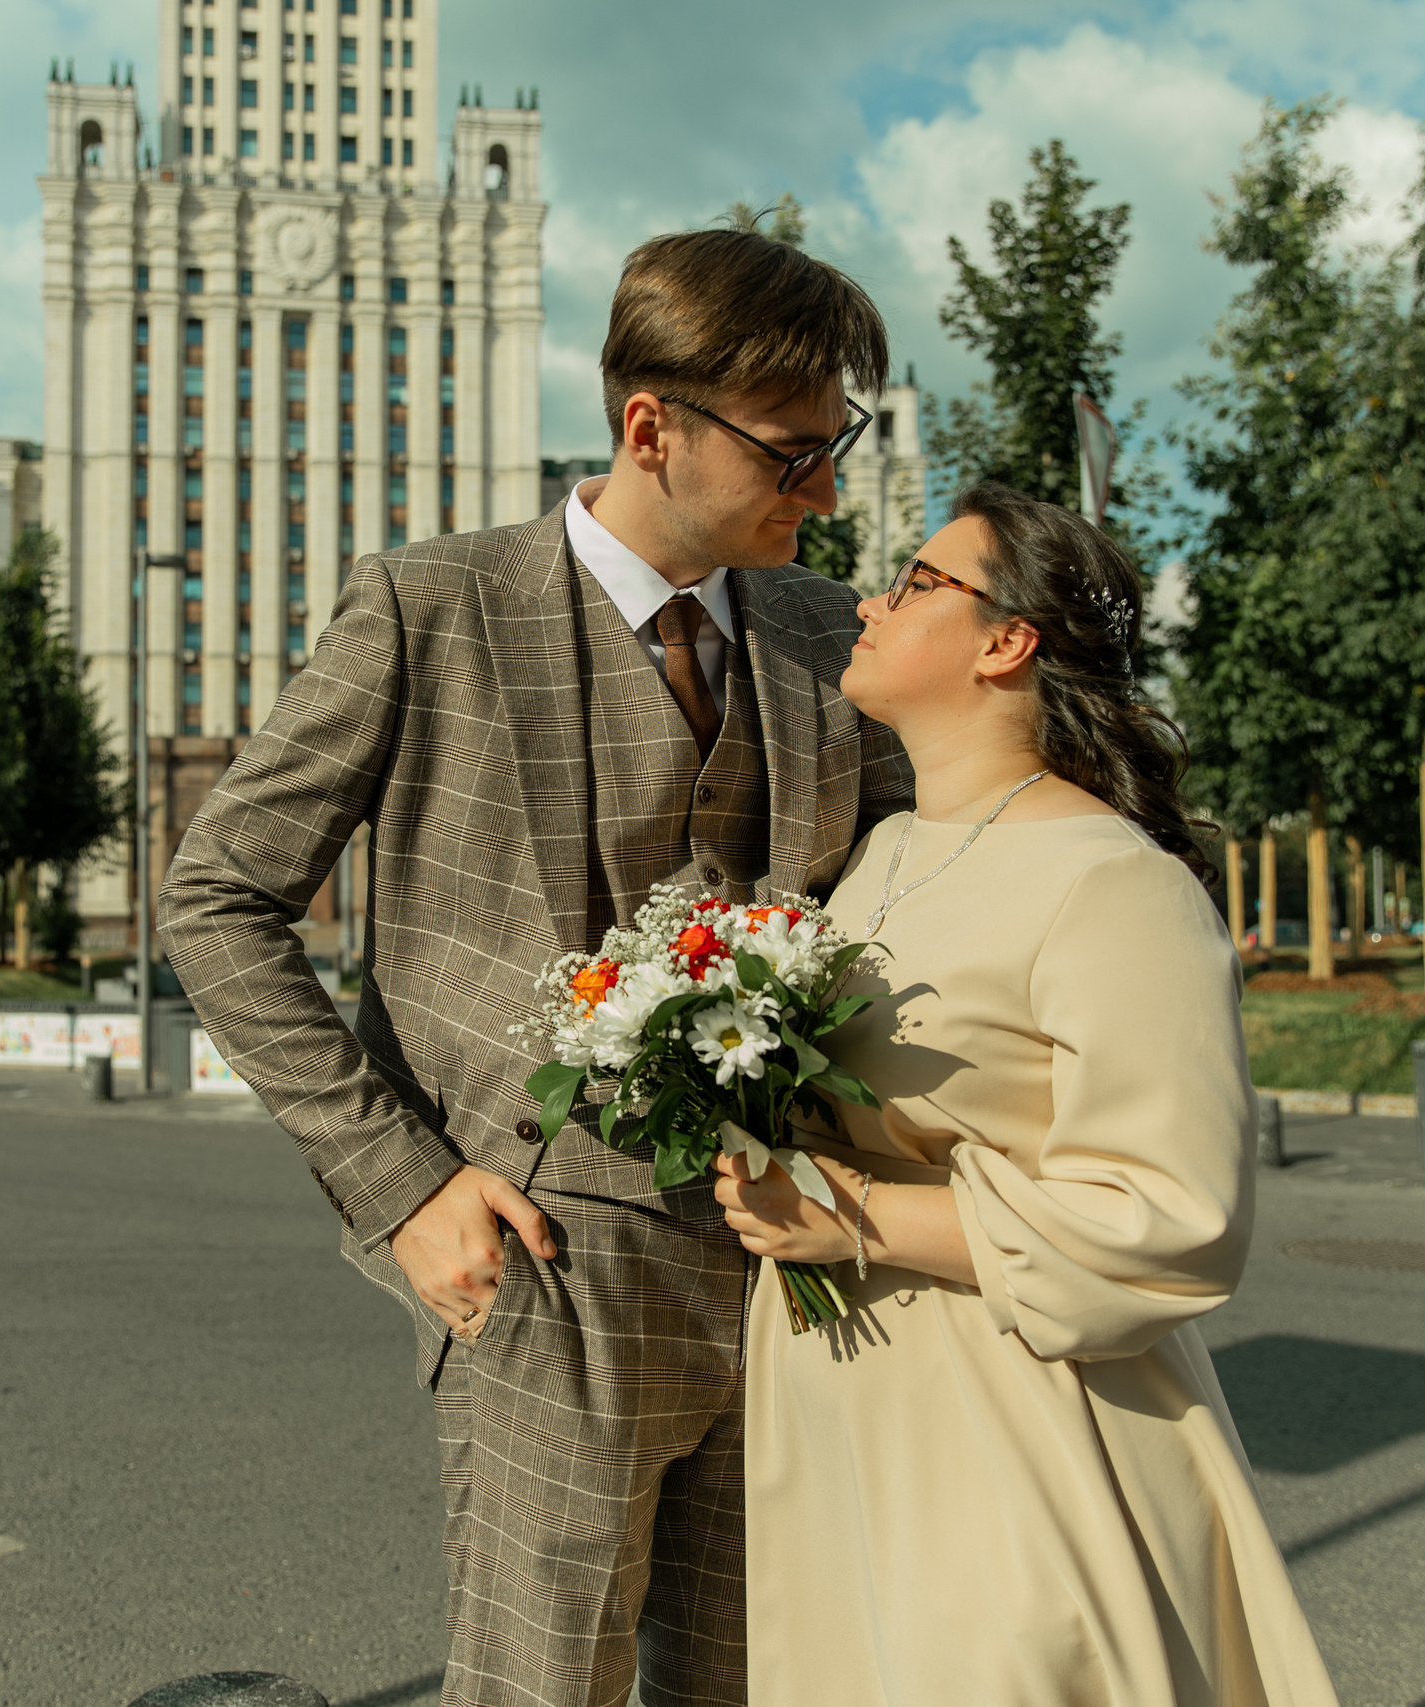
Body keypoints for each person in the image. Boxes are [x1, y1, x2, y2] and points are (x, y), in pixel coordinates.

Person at [159, 228, 913, 1707]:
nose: (828, 488)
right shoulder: (431, 606)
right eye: (794, 451)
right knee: (541, 1685)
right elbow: (219, 899)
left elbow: (944, 871)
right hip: (546, 1256)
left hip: (795, 1257)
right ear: (653, 427)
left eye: (842, 445)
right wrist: (406, 1185)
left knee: (769, 1678)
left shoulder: (837, 632)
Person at [712, 485, 1340, 1705]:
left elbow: (1173, 1214)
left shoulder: (1112, 882)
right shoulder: (883, 850)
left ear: (1008, 642)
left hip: (1014, 1421)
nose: (869, 600)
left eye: (917, 583)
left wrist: (858, 1220)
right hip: (849, 1405)